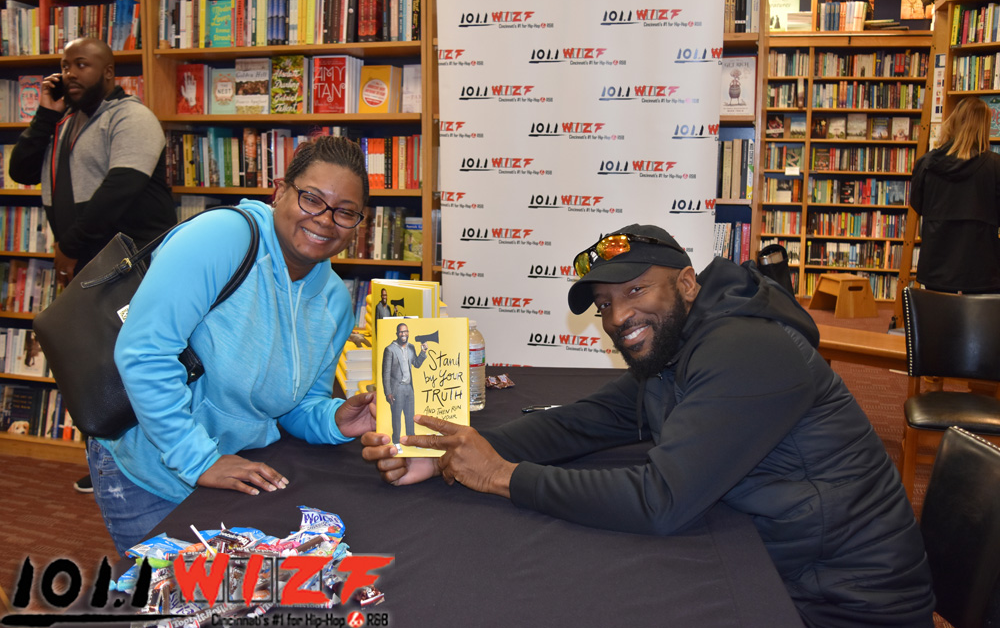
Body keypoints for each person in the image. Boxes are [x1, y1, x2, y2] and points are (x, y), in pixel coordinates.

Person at [362, 224, 935, 628]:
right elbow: (582, 424)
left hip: (840, 601)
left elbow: (660, 500)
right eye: (605, 303)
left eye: (636, 290)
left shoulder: (746, 348)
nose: (618, 317)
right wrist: (442, 452)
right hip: (782, 557)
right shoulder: (677, 346)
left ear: (687, 284)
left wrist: (500, 476)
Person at [89, 136, 377, 556]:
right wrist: (201, 461)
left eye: (345, 212)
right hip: (148, 472)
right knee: (169, 607)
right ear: (279, 191)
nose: (325, 219)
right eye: (311, 198)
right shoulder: (222, 236)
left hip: (231, 471)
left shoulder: (334, 300)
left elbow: (295, 405)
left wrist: (336, 420)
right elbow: (143, 353)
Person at [8, 37, 178, 494]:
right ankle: (109, 464)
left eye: (82, 64)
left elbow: (120, 189)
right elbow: (21, 171)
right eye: (64, 65)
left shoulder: (131, 118)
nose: (69, 73)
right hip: (86, 261)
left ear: (108, 73)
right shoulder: (64, 123)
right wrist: (45, 114)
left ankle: (151, 464)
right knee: (93, 363)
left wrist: (69, 245)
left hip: (131, 264)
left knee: (135, 362)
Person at [909, 96, 1000, 294]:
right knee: (981, 324)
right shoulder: (995, 166)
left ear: (955, 120)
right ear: (984, 127)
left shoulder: (925, 163)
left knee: (938, 322)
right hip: (982, 267)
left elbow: (917, 204)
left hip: (936, 263)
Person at [381, 322, 428, 446]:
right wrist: (388, 392)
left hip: (409, 388)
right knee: (396, 417)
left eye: (406, 331)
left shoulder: (411, 347)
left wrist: (423, 352)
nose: (404, 334)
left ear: (408, 333)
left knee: (410, 417)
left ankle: (411, 440)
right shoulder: (389, 349)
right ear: (397, 333)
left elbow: (416, 364)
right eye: (401, 332)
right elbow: (385, 373)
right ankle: (396, 442)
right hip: (397, 389)